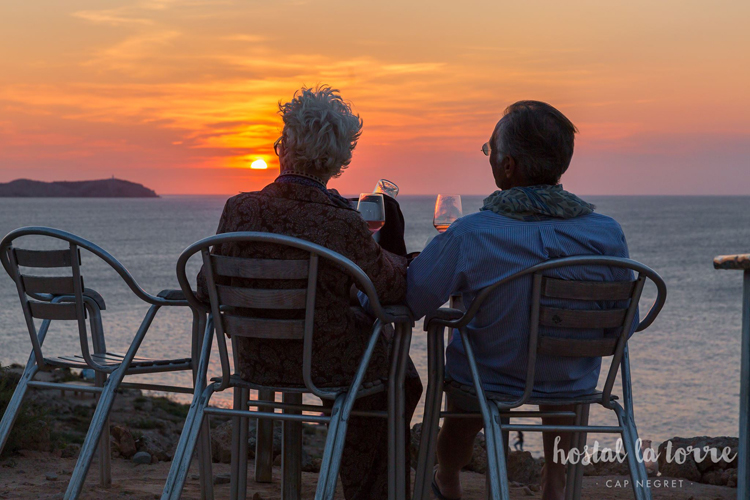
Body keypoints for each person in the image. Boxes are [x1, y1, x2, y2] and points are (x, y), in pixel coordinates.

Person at [197, 85, 422, 500]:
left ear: (283, 146)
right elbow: (391, 288)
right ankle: (369, 492)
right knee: (399, 375)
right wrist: (400, 250)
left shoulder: (240, 210)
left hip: (253, 361)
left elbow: (204, 285)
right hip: (325, 367)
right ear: (339, 160)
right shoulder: (343, 223)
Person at [407, 101, 636, 500]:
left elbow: (415, 298)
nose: (489, 157)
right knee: (558, 376)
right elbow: (625, 322)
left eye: (489, 150)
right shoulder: (606, 233)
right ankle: (556, 482)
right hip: (572, 384)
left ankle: (448, 479)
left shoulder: (472, 234)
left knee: (463, 407)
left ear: (508, 165)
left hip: (486, 381)